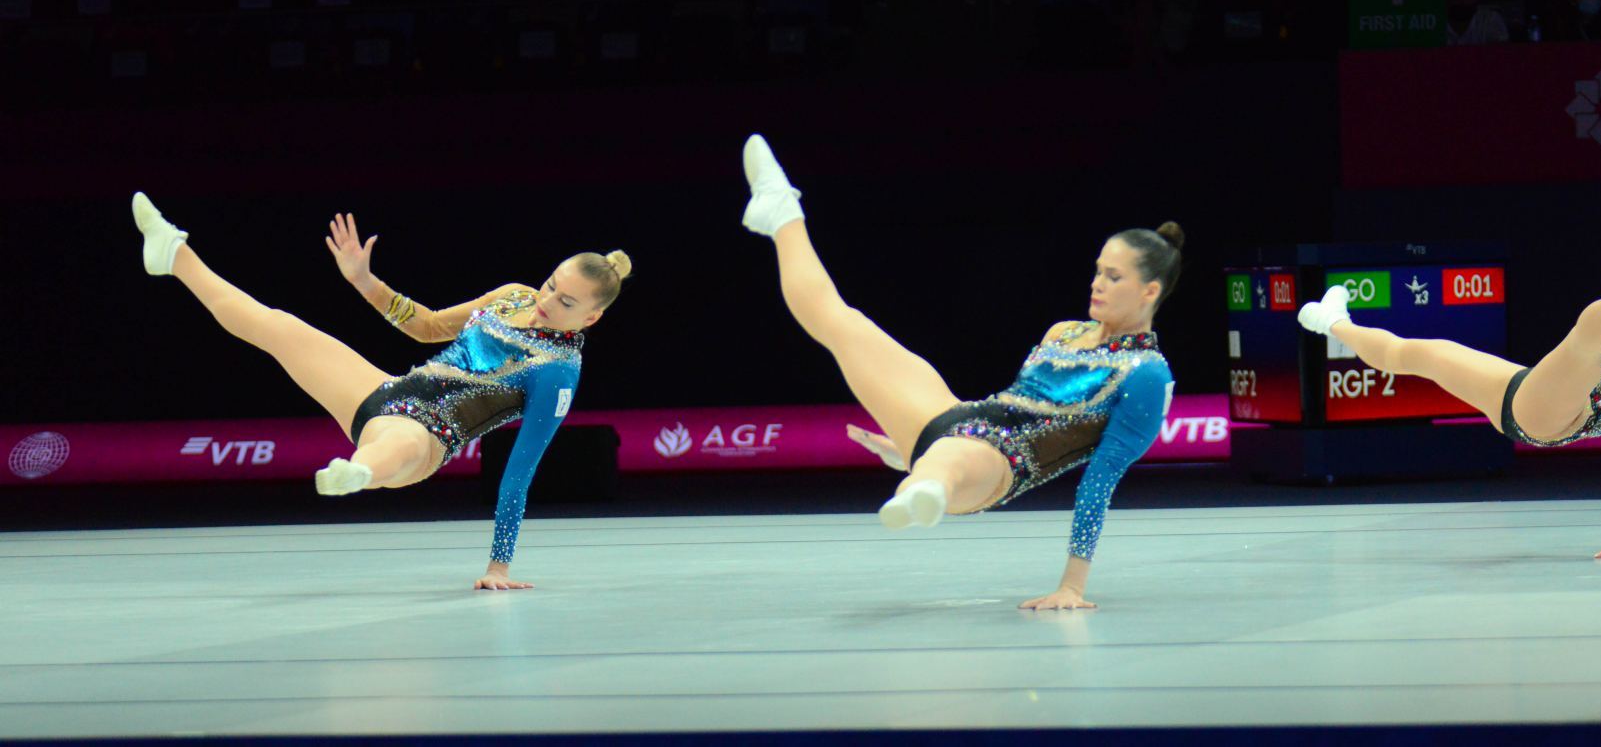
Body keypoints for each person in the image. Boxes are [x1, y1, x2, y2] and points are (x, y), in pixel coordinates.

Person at [738, 136, 1176, 610]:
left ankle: (925, 487)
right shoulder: (1065, 332)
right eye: (1098, 271)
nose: (1096, 284)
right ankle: (781, 212)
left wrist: (1072, 585)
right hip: (957, 415)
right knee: (841, 323)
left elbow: (1100, 479)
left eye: (1114, 277)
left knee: (949, 459)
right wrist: (905, 449)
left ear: (1150, 291)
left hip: (999, 465)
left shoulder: (1147, 375)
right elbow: (1009, 404)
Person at [130, 193, 629, 590]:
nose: (546, 300)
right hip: (389, 391)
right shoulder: (513, 296)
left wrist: (498, 565)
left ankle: (360, 473)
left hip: (429, 438)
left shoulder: (558, 372)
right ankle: (174, 255)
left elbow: (521, 468)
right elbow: (428, 326)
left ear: (591, 317)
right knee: (279, 327)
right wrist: (364, 281)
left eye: (565, 302)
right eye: (550, 284)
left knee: (397, 441)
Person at [1297, 237, 1601, 557]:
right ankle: (1331, 321)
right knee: (1420, 353)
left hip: (1564, 415)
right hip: (1528, 394)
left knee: (1585, 351)